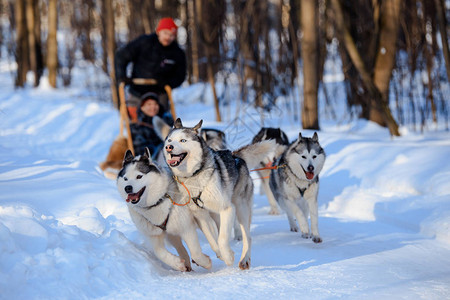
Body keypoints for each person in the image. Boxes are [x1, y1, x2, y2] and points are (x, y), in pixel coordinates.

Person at [115, 17, 187, 115]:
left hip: (160, 93)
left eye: (171, 35)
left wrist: (168, 82)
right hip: (137, 89)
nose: (168, 37)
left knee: (162, 122)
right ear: (158, 32)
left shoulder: (177, 53)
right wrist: (121, 76)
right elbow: (121, 56)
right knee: (133, 121)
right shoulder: (144, 42)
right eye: (165, 33)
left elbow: (180, 76)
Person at [130, 92, 174, 158]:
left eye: (155, 104)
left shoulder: (167, 121)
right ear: (142, 108)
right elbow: (141, 150)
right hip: (152, 159)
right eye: (149, 104)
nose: (153, 107)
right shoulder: (137, 127)